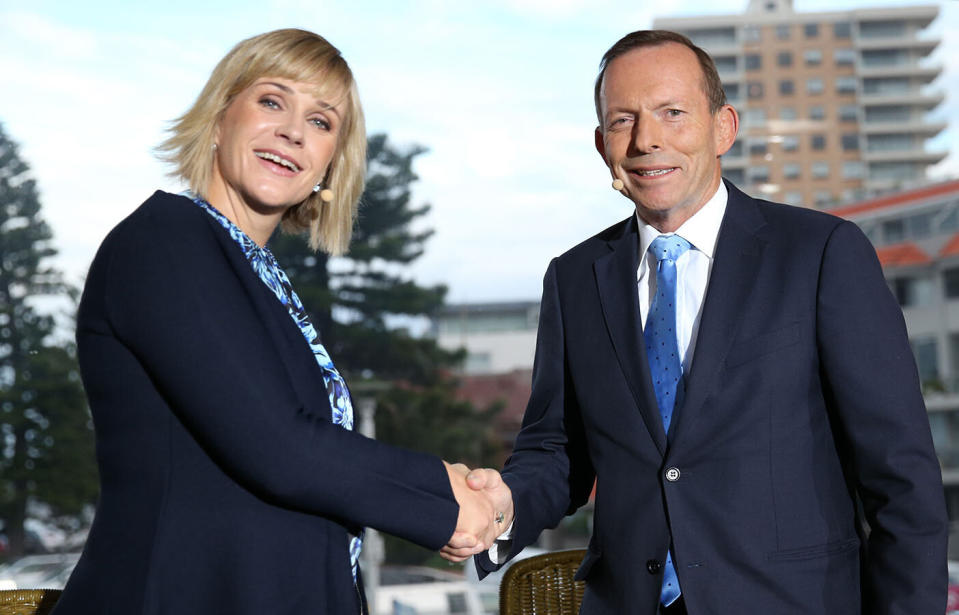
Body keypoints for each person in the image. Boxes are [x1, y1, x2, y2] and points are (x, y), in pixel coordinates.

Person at [451, 30, 948, 614]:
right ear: (600, 144)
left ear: (723, 128)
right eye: (622, 121)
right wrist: (501, 504)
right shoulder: (574, 277)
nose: (646, 140)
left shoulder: (820, 253)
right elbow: (558, 450)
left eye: (672, 113)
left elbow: (901, 477)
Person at [58, 29, 502, 615]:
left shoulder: (256, 274)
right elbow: (280, 446)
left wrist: (462, 492)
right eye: (272, 101)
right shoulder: (165, 242)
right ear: (219, 119)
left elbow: (312, 459)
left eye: (321, 121)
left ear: (329, 165)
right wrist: (446, 503)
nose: (293, 130)